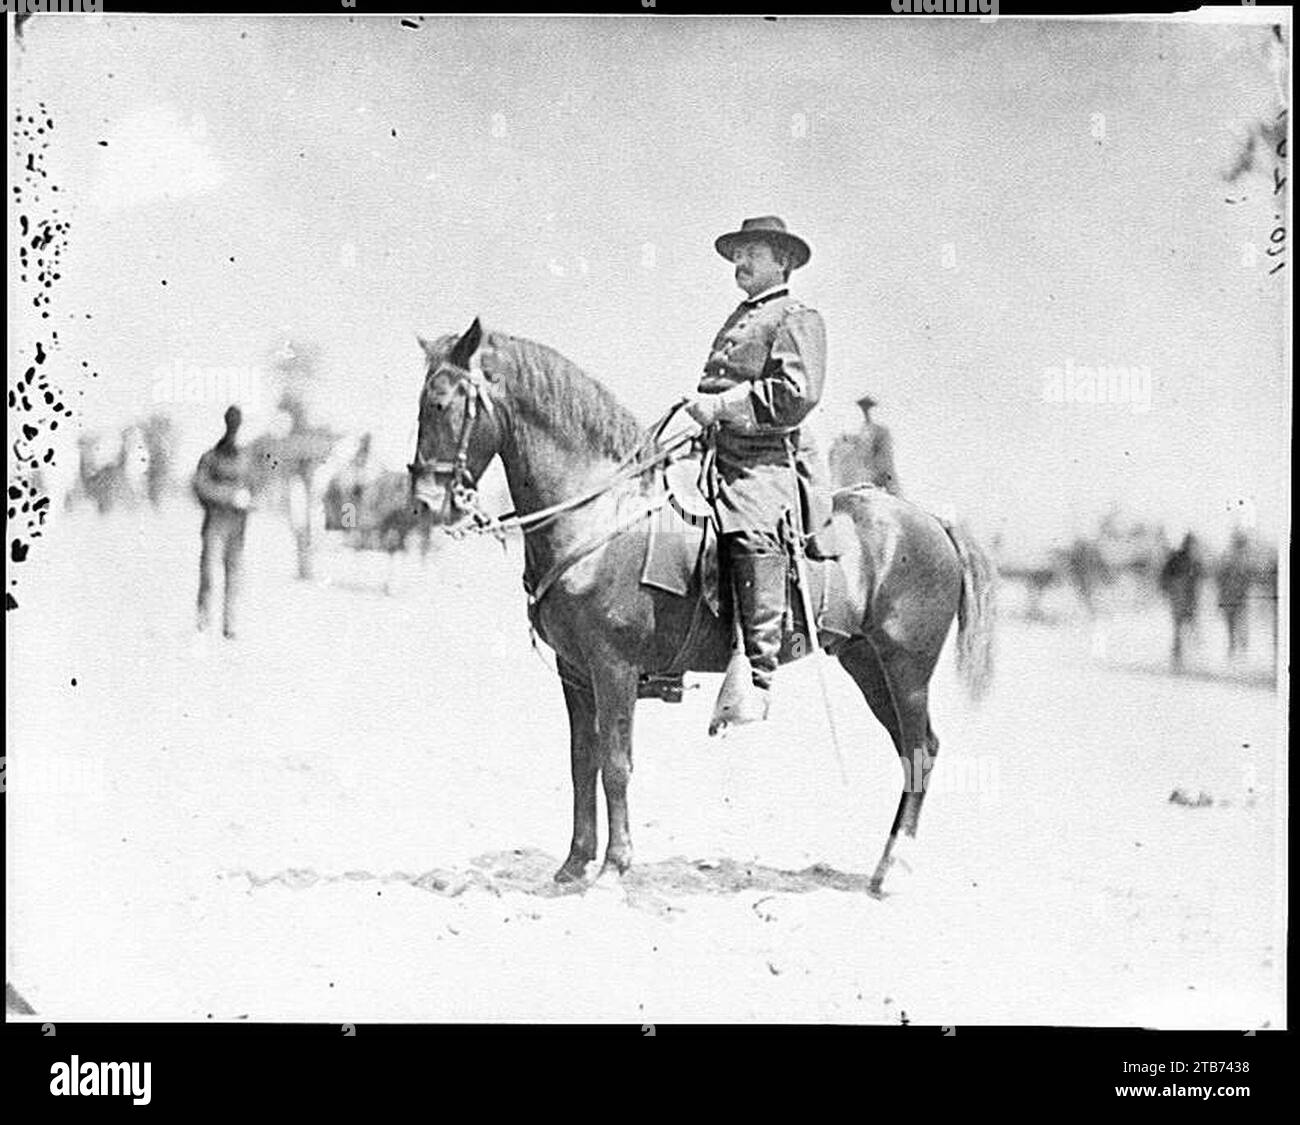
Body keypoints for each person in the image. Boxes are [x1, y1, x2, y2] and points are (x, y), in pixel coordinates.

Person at [684, 215, 827, 724]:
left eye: (752, 254)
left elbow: (797, 394)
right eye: (737, 254)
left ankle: (758, 676)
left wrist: (721, 408)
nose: (740, 263)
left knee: (748, 526)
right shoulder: (741, 315)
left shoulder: (795, 316)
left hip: (763, 459)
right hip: (716, 450)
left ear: (782, 261)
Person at [193, 405, 253, 640]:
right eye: (231, 421)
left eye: (237, 422)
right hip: (215, 524)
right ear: (226, 422)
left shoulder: (245, 459)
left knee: (234, 576)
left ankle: (230, 625)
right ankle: (203, 621)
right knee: (208, 574)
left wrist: (248, 499)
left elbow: (254, 488)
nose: (234, 426)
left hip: (237, 527)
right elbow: (200, 486)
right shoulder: (210, 457)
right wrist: (229, 496)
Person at [829, 393, 901, 494]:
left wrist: (893, 490)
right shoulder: (845, 437)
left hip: (872, 482)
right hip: (856, 483)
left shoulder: (879, 431)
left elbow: (885, 463)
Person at [1158, 532, 1204, 671]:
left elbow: (1198, 579)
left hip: (1187, 598)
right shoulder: (1179, 558)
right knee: (1180, 627)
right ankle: (1179, 655)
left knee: (1188, 626)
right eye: (1191, 543)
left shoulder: (1193, 560)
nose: (1192, 546)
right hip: (1179, 597)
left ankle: (1188, 654)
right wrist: (1167, 590)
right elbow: (1165, 576)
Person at [1215, 530, 1254, 658]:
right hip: (1232, 596)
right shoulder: (1237, 558)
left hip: (1234, 597)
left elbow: (1246, 580)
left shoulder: (1239, 558)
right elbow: (1221, 578)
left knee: (1235, 622)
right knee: (1234, 622)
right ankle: (1237, 644)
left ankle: (1238, 644)